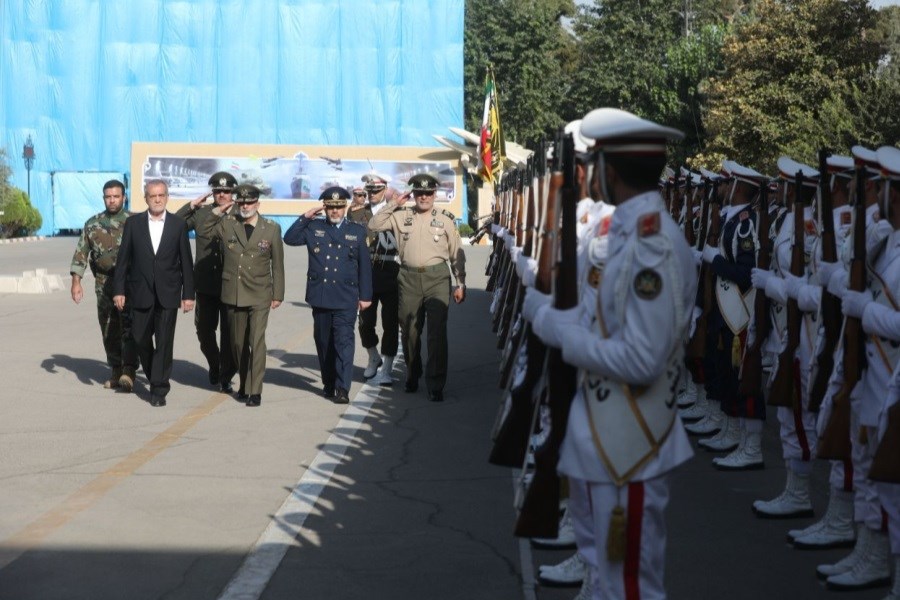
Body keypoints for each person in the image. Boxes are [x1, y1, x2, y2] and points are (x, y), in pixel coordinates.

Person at [523, 108, 695, 599]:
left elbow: (641, 359)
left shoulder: (651, 247)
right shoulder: (627, 235)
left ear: (609, 171)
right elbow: (605, 318)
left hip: (631, 441)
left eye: (592, 164)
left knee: (627, 586)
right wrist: (552, 314)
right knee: (601, 576)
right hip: (603, 432)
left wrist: (559, 333)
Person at [367, 173, 466, 402]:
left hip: (437, 278)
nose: (424, 197)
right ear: (413, 194)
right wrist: (394, 203)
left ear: (435, 194)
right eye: (419, 193)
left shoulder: (446, 219)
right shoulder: (401, 216)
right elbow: (374, 224)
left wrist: (460, 282)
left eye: (428, 193)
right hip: (408, 278)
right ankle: (413, 373)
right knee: (410, 331)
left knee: (436, 333)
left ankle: (435, 383)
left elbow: (456, 254)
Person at [283, 187, 372, 404]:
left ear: (345, 207)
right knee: (323, 342)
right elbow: (289, 238)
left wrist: (366, 295)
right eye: (331, 207)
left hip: (345, 296)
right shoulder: (314, 227)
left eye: (339, 207)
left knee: (344, 341)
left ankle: (343, 388)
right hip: (321, 296)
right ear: (325, 207)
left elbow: (365, 266)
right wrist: (305, 217)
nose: (335, 211)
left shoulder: (357, 231)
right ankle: (329, 382)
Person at [198, 184, 285, 407]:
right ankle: (245, 385)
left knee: (256, 341)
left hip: (259, 293)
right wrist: (219, 209)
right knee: (237, 344)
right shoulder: (228, 224)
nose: (245, 206)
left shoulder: (271, 228)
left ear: (258, 203)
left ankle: (255, 391)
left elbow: (278, 264)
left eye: (249, 202)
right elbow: (204, 230)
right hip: (233, 293)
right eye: (241, 202)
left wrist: (278, 293)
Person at [113, 179, 195, 407]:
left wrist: (189, 294)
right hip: (140, 292)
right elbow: (123, 261)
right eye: (152, 196)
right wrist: (119, 290)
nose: (157, 199)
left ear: (167, 197)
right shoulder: (133, 224)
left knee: (165, 341)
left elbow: (186, 262)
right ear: (146, 198)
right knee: (140, 338)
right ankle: (153, 374)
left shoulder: (178, 225)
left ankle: (159, 388)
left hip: (169, 294)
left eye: (161, 195)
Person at [70, 179, 138, 391]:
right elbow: (81, 254)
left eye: (116, 196)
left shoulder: (135, 221)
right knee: (108, 326)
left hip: (129, 283)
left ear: (124, 198)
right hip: (103, 283)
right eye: (108, 196)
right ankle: (116, 369)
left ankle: (129, 370)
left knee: (129, 325)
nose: (112, 200)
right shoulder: (93, 224)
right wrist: (76, 282)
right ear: (103, 198)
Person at [175, 171, 238, 393]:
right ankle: (215, 364)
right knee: (204, 331)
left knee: (230, 334)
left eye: (226, 191)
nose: (222, 195)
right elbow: (175, 224)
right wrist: (191, 205)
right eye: (218, 191)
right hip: (205, 284)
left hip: (232, 286)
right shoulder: (201, 214)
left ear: (233, 192)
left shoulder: (241, 213)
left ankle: (225, 375)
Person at [349, 173, 402, 386]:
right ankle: (373, 356)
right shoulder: (356, 213)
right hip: (366, 274)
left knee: (390, 323)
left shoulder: (397, 212)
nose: (372, 195)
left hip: (391, 271)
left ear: (385, 189)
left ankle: (387, 367)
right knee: (365, 322)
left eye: (377, 190)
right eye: (369, 191)